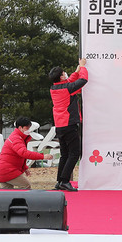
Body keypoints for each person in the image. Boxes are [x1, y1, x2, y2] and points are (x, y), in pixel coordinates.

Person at [49, 58, 88, 191]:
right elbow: (83, 81)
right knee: (74, 153)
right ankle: (65, 181)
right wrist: (82, 68)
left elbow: (69, 82)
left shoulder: (54, 88)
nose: (65, 73)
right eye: (64, 73)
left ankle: (59, 181)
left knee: (64, 154)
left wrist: (76, 71)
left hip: (60, 125)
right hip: (69, 124)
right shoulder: (67, 88)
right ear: (61, 76)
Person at [0, 117, 53, 189]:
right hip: (8, 171)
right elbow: (24, 153)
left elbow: (18, 156)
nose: (29, 130)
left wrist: (24, 168)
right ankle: (22, 200)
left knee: (7, 194)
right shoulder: (16, 139)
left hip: (3, 171)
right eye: (27, 128)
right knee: (26, 186)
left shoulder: (17, 137)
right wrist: (42, 156)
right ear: (20, 128)